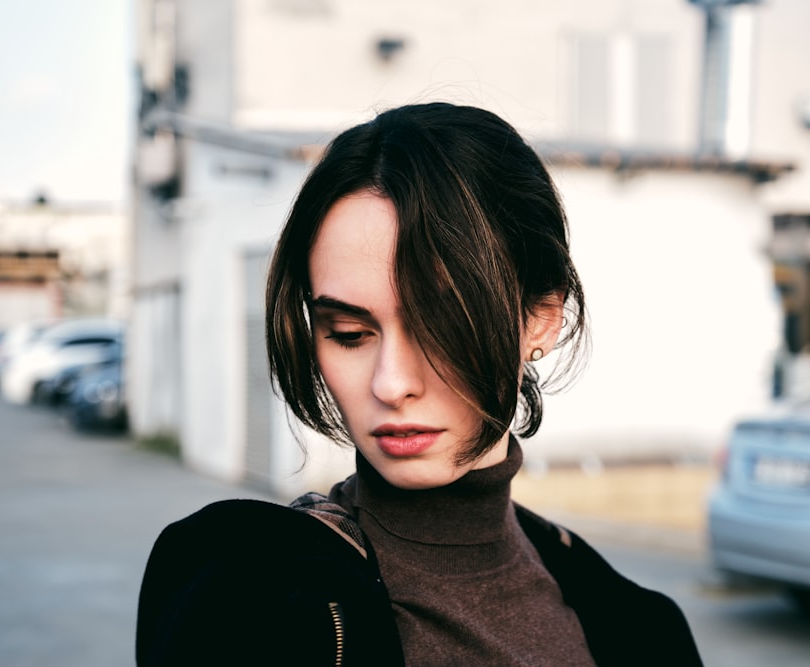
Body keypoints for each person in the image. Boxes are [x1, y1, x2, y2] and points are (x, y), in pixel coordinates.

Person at [135, 102, 704, 666]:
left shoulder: (640, 627)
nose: (392, 384)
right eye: (350, 333)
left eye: (441, 325)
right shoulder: (249, 602)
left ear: (541, 318)